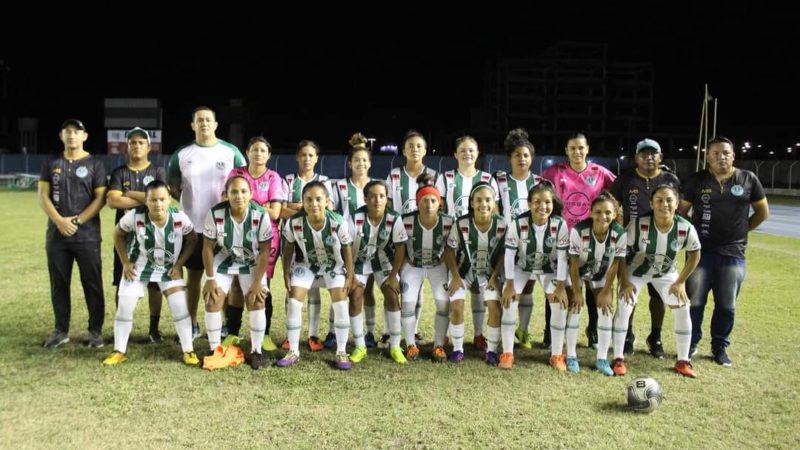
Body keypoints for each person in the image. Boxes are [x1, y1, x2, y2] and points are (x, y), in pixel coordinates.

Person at [679, 136, 769, 367]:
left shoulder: (748, 178)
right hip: (700, 252)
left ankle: (719, 347)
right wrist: (692, 235)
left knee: (727, 304)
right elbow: (682, 211)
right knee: (695, 301)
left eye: (726, 153)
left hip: (733, 253)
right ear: (708, 156)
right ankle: (690, 343)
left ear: (733, 155)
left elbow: (762, 212)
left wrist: (742, 230)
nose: (721, 157)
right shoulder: (697, 180)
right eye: (716, 153)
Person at [167, 106, 246, 339]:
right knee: (193, 277)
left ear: (215, 124)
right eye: (199, 120)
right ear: (193, 125)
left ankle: (224, 324)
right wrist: (190, 204)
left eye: (208, 120)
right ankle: (192, 324)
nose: (204, 123)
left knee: (225, 277)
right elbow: (173, 187)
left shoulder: (231, 152)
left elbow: (242, 183)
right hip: (192, 228)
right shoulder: (181, 154)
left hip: (224, 227)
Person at [103, 181, 199, 366]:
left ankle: (188, 350)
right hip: (139, 269)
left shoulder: (179, 218)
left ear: (169, 199)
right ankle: (119, 351)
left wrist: (179, 264)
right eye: (153, 200)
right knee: (124, 306)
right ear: (146, 201)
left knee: (180, 306)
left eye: (162, 199)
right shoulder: (134, 216)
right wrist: (125, 262)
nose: (158, 204)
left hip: (168, 269)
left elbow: (192, 239)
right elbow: (117, 234)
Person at [616, 185, 702, 378]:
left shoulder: (685, 227)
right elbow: (620, 253)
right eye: (659, 200)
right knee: (624, 304)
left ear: (677, 203)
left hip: (666, 273)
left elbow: (695, 254)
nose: (664, 204)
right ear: (651, 203)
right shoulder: (638, 224)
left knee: (682, 306)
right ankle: (618, 358)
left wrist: (680, 281)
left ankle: (683, 361)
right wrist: (625, 281)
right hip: (637, 271)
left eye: (669, 200)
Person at [542, 132, 616, 349]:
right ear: (566, 150)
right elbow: (539, 193)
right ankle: (550, 332)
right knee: (560, 284)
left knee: (593, 282)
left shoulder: (599, 172)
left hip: (592, 238)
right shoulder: (555, 172)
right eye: (573, 148)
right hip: (562, 238)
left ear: (587, 149)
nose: (577, 152)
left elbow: (620, 188)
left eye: (581, 147)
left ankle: (593, 330)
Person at [39, 119, 107, 349]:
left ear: (84, 136)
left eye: (76, 132)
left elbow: (100, 199)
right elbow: (43, 196)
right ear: (61, 136)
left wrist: (77, 221)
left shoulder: (95, 164)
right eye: (67, 132)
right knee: (59, 283)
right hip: (57, 236)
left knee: (92, 283)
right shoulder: (51, 163)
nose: (72, 135)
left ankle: (95, 331)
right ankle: (61, 330)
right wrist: (59, 221)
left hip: (87, 235)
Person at [610, 138, 681, 358]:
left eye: (653, 154)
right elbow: (612, 205)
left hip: (661, 244)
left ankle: (655, 336)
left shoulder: (670, 179)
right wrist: (618, 229)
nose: (649, 158)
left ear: (660, 157)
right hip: (633, 246)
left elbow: (678, 209)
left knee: (658, 295)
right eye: (644, 154)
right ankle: (627, 335)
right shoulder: (625, 179)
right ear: (636, 158)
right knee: (628, 292)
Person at [279, 181, 354, 369]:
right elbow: (288, 248)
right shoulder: (294, 222)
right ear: (303, 202)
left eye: (318, 199)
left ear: (327, 201)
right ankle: (293, 351)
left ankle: (342, 351)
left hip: (333, 266)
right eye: (309, 199)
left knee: (341, 304)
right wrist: (286, 272)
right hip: (307, 265)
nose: (314, 204)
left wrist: (350, 275)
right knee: (293, 302)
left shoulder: (338, 221)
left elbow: (347, 249)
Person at [202, 176, 273, 369]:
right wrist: (210, 278)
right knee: (212, 298)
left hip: (251, 261)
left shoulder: (260, 215)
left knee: (257, 299)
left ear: (251, 194)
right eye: (234, 191)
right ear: (226, 194)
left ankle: (257, 350)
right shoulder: (216, 213)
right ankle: (215, 349)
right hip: (224, 259)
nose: (239, 196)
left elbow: (265, 250)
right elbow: (207, 247)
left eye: (243, 191)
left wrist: (257, 282)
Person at [436, 136, 499, 352]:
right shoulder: (445, 178)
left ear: (478, 153)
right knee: (451, 290)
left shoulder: (487, 178)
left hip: (479, 240)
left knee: (479, 290)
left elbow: (495, 210)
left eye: (471, 150)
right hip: (451, 240)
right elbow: (439, 208)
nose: (467, 154)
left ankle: (479, 335)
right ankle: (446, 334)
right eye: (462, 150)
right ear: (455, 154)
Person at [223, 136, 285, 352]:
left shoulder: (273, 177)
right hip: (237, 235)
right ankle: (232, 333)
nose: (258, 153)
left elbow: (275, 213)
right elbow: (226, 201)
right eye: (254, 149)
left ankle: (264, 334)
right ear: (247, 152)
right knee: (235, 284)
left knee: (262, 285)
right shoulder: (236, 174)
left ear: (269, 155)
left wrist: (246, 203)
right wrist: (261, 205)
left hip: (266, 238)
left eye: (263, 150)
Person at [107, 127, 167, 343]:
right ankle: (124, 329)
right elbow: (113, 201)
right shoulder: (119, 172)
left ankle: (154, 329)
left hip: (154, 235)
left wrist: (130, 193)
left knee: (154, 284)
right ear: (127, 146)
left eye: (141, 142)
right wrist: (148, 198)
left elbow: (163, 197)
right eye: (132, 142)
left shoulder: (158, 171)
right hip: (125, 237)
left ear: (149, 147)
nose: (136, 146)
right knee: (123, 280)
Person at [503, 181, 569, 370]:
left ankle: (556, 355)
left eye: (547, 202)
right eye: (537, 202)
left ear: (552, 203)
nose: (542, 206)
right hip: (522, 267)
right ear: (529, 203)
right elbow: (509, 255)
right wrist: (509, 284)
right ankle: (507, 353)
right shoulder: (518, 223)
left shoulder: (560, 224)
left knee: (559, 304)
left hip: (549, 268)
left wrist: (561, 286)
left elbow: (563, 257)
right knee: (509, 301)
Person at [325, 133, 378, 350]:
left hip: (369, 246)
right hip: (343, 245)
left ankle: (370, 333)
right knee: (341, 288)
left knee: (367, 290)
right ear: (349, 163)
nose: (360, 163)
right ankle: (332, 332)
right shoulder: (338, 185)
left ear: (370, 163)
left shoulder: (377, 186)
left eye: (364, 160)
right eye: (356, 160)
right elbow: (331, 210)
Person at [386, 130, 438, 347]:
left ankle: (413, 330)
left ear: (425, 150)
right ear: (404, 151)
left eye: (419, 146)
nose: (414, 149)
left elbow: (437, 204)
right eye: (410, 146)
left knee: (416, 287)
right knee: (393, 284)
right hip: (398, 238)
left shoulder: (434, 175)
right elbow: (388, 205)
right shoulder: (394, 175)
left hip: (422, 237)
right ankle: (389, 331)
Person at [445, 183, 507, 365]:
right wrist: (455, 276)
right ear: (472, 203)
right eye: (478, 200)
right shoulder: (461, 223)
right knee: (457, 307)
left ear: (494, 202)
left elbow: (505, 252)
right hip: (463, 273)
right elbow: (449, 250)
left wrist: (495, 276)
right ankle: (458, 349)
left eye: (488, 200)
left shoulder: (502, 224)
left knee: (495, 308)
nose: (483, 204)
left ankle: (491, 351)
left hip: (489, 274)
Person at [347, 180, 408, 364]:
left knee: (392, 295)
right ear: (365, 199)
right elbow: (346, 247)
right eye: (372, 196)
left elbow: (400, 248)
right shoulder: (355, 218)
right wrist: (350, 275)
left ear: (386, 199)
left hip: (383, 261)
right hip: (358, 261)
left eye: (382, 196)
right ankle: (360, 346)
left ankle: (395, 346)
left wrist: (393, 276)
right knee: (356, 296)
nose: (377, 200)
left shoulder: (394, 218)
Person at [494, 128, 545, 350]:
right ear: (510, 158)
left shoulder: (540, 182)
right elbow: (496, 210)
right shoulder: (500, 181)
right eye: (517, 155)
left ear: (531, 158)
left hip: (532, 244)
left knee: (528, 287)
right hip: (506, 244)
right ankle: (500, 332)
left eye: (525, 155)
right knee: (507, 289)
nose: (522, 159)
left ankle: (522, 330)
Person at [279, 140, 332, 352]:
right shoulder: (288, 180)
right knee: (293, 288)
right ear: (297, 157)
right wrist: (307, 210)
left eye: (311, 155)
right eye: (303, 155)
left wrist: (296, 207)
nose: (307, 159)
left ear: (317, 158)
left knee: (314, 290)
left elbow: (328, 209)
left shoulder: (324, 181)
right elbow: (281, 211)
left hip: (317, 242)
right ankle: (289, 335)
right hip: (293, 240)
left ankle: (313, 335)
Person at [567, 192, 627, 375]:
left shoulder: (620, 234)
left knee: (605, 309)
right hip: (577, 273)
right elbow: (573, 264)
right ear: (591, 213)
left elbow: (616, 264)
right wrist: (577, 292)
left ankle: (602, 358)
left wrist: (606, 291)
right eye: (598, 212)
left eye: (608, 212)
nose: (603, 216)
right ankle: (571, 355)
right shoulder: (579, 231)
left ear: (614, 214)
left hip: (601, 273)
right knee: (575, 307)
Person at [399, 174, 458, 361]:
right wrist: (406, 260)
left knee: (443, 303)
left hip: (436, 265)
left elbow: (452, 247)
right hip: (413, 266)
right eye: (424, 200)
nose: (429, 204)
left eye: (433, 200)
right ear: (418, 203)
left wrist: (444, 261)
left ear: (439, 203)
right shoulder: (406, 220)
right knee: (407, 303)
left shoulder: (448, 222)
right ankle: (411, 345)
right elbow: (398, 245)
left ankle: (438, 345)